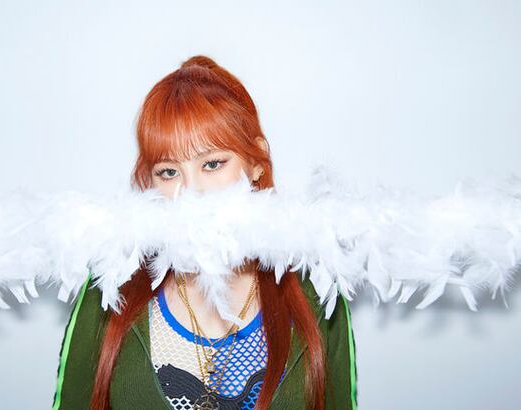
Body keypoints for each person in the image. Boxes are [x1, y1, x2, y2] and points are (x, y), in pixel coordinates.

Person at [52, 55, 358, 410]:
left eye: (212, 164)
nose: (191, 193)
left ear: (256, 163)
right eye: (169, 172)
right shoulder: (110, 287)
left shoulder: (317, 291)